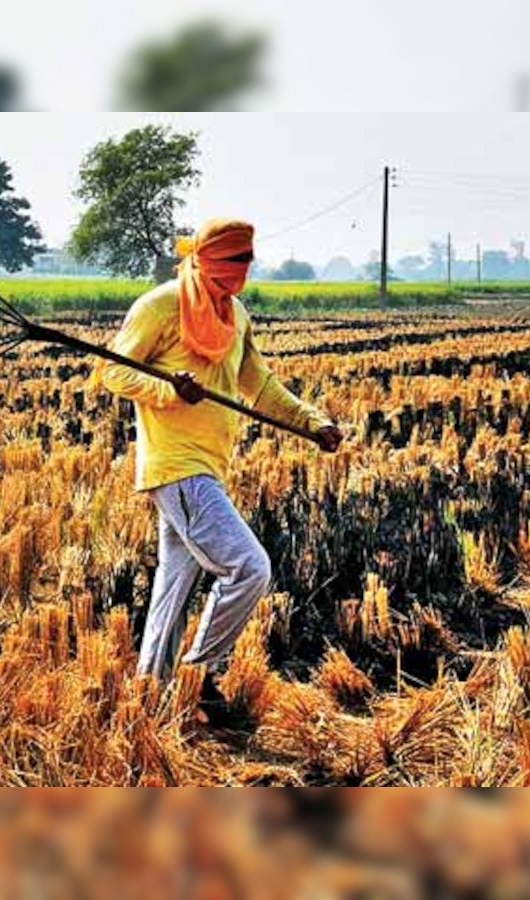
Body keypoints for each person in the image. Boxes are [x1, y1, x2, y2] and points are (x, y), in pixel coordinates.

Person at [100, 218, 343, 722]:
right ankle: (198, 672)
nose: (242, 271)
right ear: (207, 258)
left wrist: (312, 422)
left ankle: (150, 695)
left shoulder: (234, 316)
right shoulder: (161, 305)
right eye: (234, 261)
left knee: (174, 583)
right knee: (249, 567)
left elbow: (260, 385)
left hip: (209, 464)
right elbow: (115, 371)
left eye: (247, 261)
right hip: (177, 466)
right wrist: (169, 387)